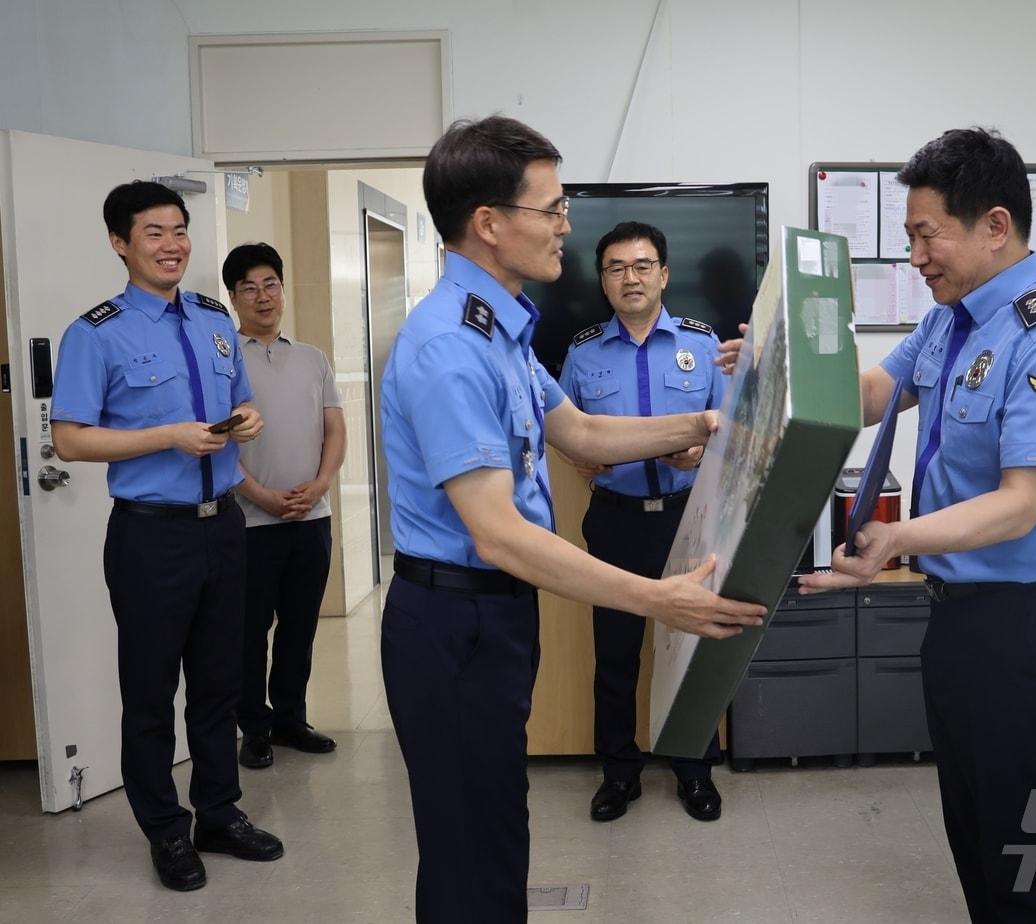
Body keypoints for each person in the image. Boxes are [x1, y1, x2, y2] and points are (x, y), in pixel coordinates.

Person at [378, 116, 767, 923]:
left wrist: (706, 427)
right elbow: (497, 532)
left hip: (492, 616)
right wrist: (659, 598)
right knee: (468, 849)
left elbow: (583, 432)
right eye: (551, 210)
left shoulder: (506, 333)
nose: (566, 227)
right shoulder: (451, 346)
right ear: (490, 223)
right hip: (453, 622)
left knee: (493, 831)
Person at [791, 128, 1036, 922]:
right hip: (961, 623)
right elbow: (873, 393)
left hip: (1031, 628)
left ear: (994, 226)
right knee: (976, 844)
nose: (916, 256)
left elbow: (1020, 503)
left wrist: (896, 539)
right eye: (908, 237)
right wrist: (781, 373)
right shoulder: (951, 320)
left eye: (925, 234)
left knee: (1028, 867)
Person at [50, 181, 282, 892]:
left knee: (220, 685)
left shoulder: (215, 319)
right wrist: (165, 438)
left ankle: (219, 813)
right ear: (121, 243)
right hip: (151, 539)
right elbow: (69, 441)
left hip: (224, 530)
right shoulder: (96, 332)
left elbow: (239, 397)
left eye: (179, 230)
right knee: (151, 693)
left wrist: (244, 419)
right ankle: (166, 830)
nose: (173, 243)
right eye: (154, 232)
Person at [558, 221, 727, 823]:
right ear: (603, 281)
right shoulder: (581, 352)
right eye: (616, 268)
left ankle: (694, 769)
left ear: (664, 275)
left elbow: (735, 429)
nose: (630, 277)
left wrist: (705, 451)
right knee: (617, 654)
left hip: (689, 519)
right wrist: (581, 458)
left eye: (642, 265)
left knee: (690, 650)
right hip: (617, 520)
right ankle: (618, 773)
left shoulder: (704, 345)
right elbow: (562, 430)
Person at [222, 242, 346, 770]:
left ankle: (291, 718)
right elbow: (222, 440)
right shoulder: (222, 357)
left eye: (270, 283)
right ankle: (254, 725)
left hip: (311, 518)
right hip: (251, 520)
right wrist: (262, 496)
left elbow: (335, 426)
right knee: (251, 630)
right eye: (248, 287)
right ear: (233, 297)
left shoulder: (312, 356)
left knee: (300, 625)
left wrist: (320, 484)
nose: (262, 296)